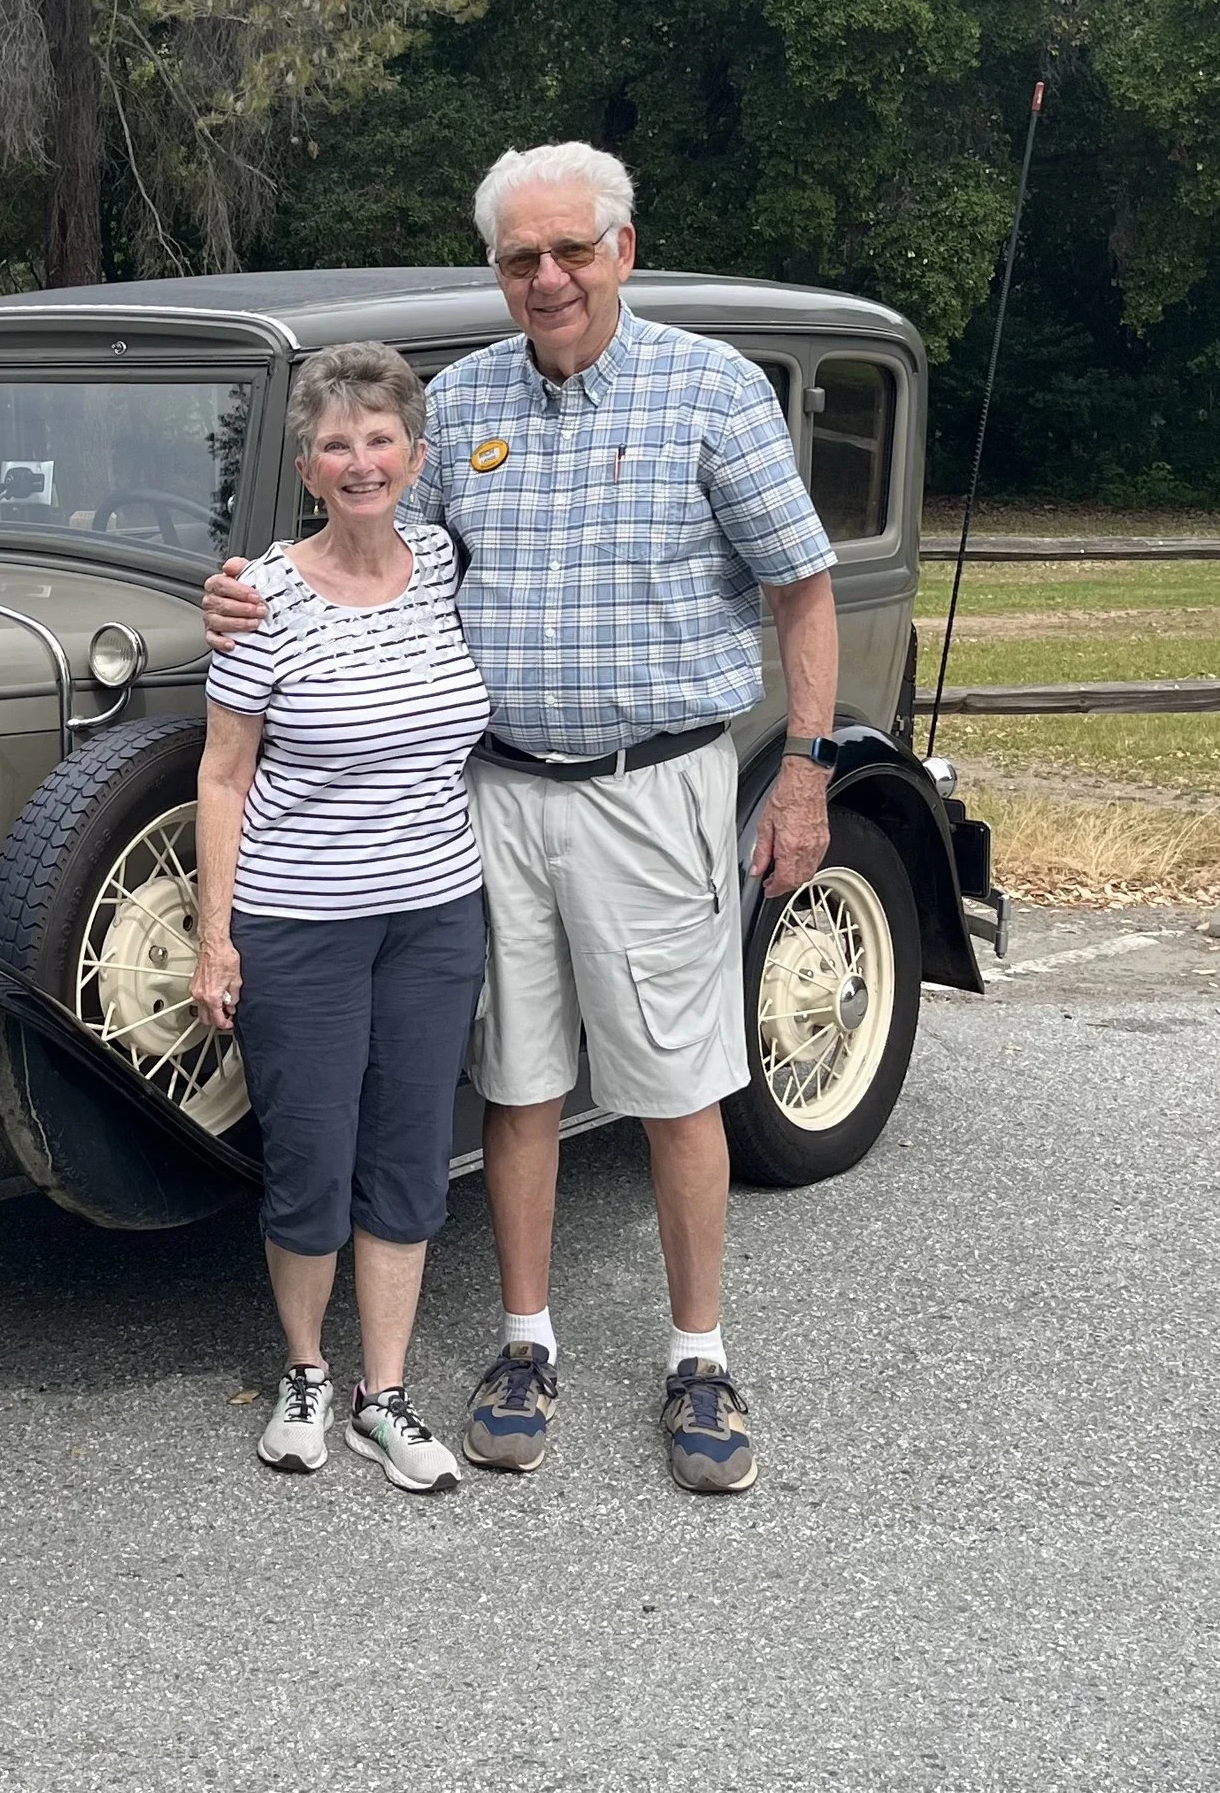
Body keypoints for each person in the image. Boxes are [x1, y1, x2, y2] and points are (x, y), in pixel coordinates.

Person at [202, 142, 840, 1495]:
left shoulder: (711, 390)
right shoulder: (465, 406)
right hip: (490, 795)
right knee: (520, 1080)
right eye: (517, 259)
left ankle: (698, 1357)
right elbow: (366, 542)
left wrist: (802, 772)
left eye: (570, 251)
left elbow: (802, 591)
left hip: (652, 783)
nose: (546, 278)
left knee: (676, 1080)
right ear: (495, 270)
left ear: (622, 248)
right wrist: (243, 593)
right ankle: (524, 1340)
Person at [190, 341, 492, 1495]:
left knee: (411, 1150)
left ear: (412, 455)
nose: (359, 461)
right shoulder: (258, 596)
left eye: (379, 439)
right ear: (307, 465)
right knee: (309, 1154)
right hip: (300, 920)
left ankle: (388, 1390)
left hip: (433, 912)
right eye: (335, 444)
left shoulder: (444, 565)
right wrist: (218, 937)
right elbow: (223, 776)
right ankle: (307, 1370)